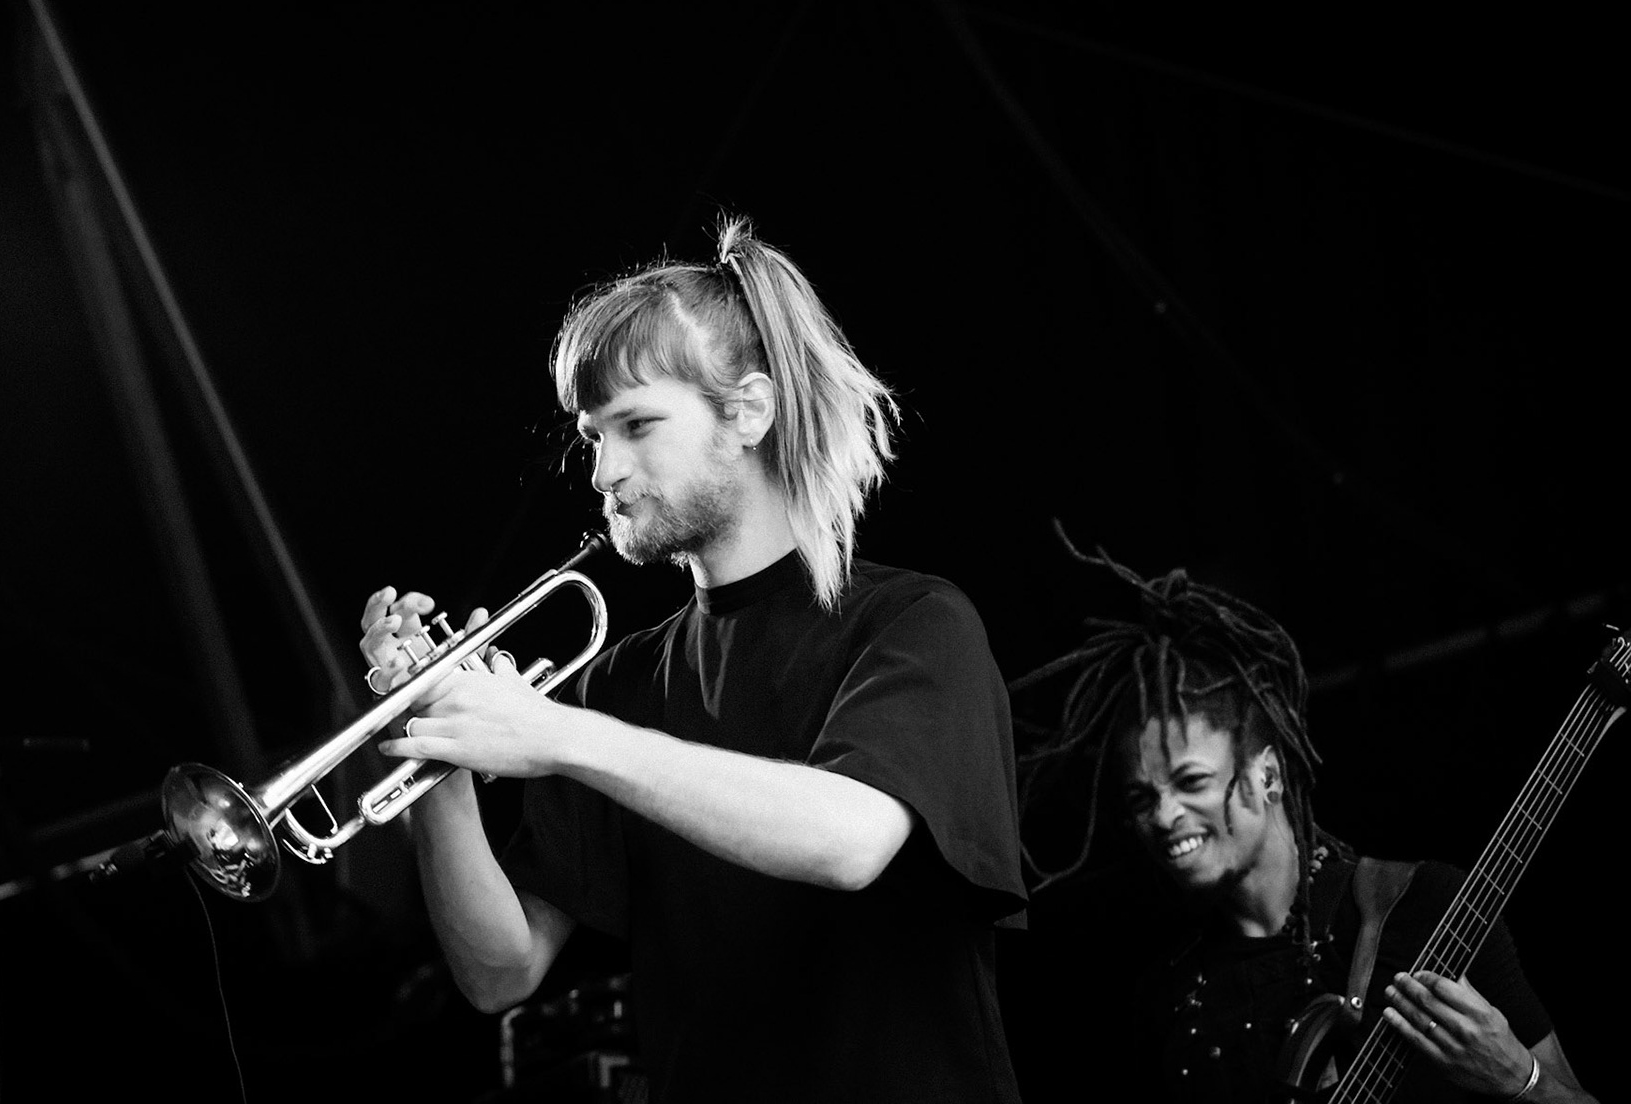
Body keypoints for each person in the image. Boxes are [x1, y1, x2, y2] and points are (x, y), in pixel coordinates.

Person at [357, 217, 1027, 1103]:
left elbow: (849, 840)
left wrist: (557, 734)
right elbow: (499, 972)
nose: (602, 471)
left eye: (636, 425)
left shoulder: (914, 622)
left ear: (747, 412)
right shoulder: (617, 686)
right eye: (594, 434)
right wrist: (438, 750)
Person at [1013, 532, 1597, 1104]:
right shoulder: (1165, 1002)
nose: (1163, 816)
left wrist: (1520, 1078)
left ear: (1267, 775)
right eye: (1142, 799)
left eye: (1191, 782)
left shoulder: (1430, 907)